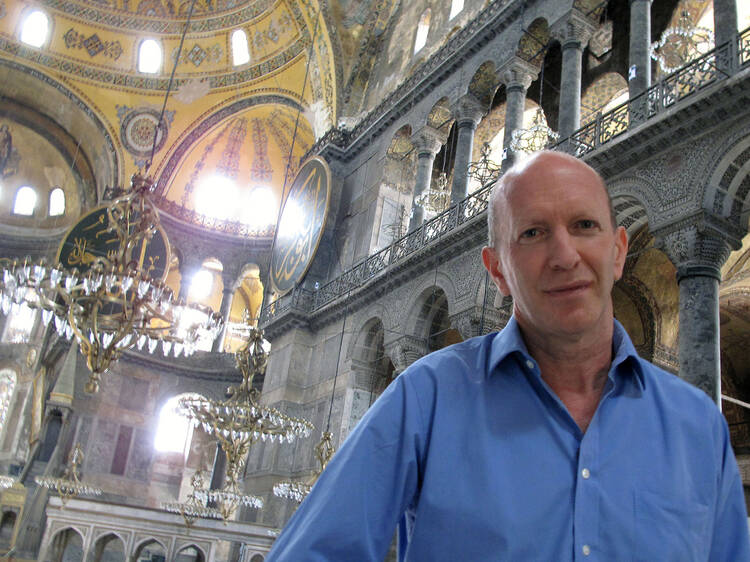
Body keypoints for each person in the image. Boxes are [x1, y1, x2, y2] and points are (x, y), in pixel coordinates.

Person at [267, 151, 750, 561]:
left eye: (584, 225)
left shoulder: (696, 426)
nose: (565, 256)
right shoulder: (427, 399)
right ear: (497, 269)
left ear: (618, 251)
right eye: (533, 233)